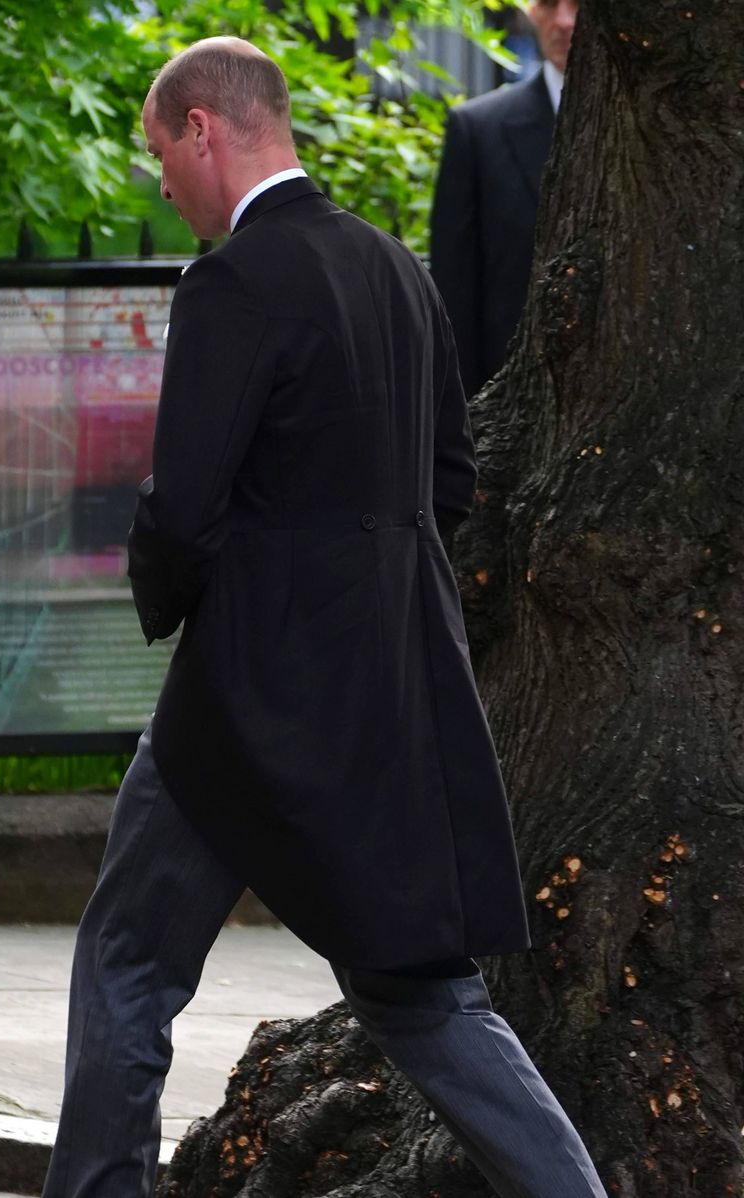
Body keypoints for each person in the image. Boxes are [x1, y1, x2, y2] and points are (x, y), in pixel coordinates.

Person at [41, 36, 605, 1198]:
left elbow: (185, 508)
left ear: (204, 127)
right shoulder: (398, 270)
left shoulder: (235, 282)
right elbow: (450, 482)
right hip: (392, 692)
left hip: (241, 699)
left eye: (160, 152)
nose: (161, 183)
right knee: (423, 992)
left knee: (129, 962)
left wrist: (186, 596)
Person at [430, 0, 579, 396]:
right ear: (532, 12)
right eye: (549, 4)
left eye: (579, 4)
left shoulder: (661, 131)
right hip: (510, 398)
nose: (563, 21)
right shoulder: (478, 130)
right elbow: (454, 290)